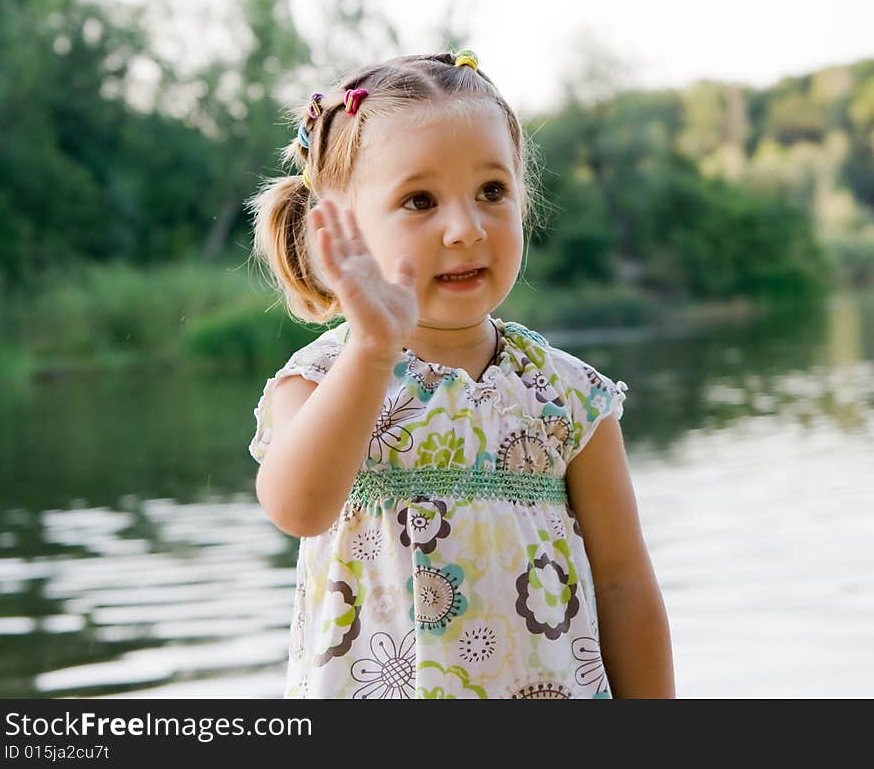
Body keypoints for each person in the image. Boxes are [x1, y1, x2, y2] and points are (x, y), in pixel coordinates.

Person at [246, 50, 674, 699]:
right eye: (420, 200)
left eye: (492, 192)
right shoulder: (321, 378)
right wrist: (370, 350)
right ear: (344, 228)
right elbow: (297, 508)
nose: (465, 228)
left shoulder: (568, 398)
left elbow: (624, 583)